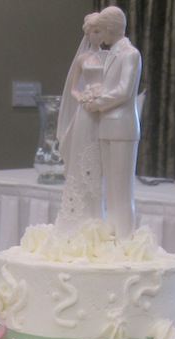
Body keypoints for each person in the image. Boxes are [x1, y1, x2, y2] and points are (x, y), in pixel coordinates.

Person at [82, 6, 141, 241]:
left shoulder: (130, 53)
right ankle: (114, 235)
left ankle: (126, 241)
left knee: (123, 190)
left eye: (101, 30)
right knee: (111, 190)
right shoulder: (111, 54)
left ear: (110, 28)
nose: (100, 35)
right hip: (107, 125)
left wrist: (98, 103)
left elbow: (124, 91)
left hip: (122, 127)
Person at [55, 13, 107, 235]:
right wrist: (84, 98)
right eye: (91, 32)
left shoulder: (110, 57)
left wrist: (103, 98)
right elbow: (73, 88)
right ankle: (77, 216)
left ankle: (97, 214)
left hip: (103, 111)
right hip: (86, 113)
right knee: (82, 158)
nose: (95, 35)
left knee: (99, 160)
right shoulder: (82, 59)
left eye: (98, 31)